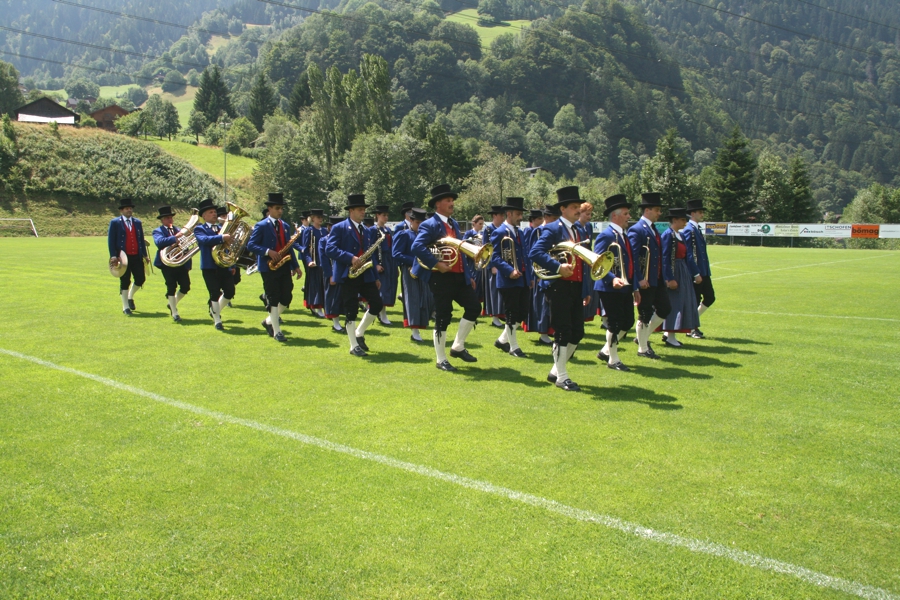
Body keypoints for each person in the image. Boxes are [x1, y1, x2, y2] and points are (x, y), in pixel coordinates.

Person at [411, 184, 481, 371]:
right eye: (448, 200)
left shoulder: (454, 223)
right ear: (438, 204)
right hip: (440, 277)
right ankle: (441, 359)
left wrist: (467, 275)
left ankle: (458, 346)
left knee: (474, 307)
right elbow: (417, 247)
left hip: (459, 277)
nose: (452, 203)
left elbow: (459, 250)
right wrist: (436, 264)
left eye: (452, 200)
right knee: (443, 315)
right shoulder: (429, 224)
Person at [529, 187, 593, 391]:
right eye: (574, 207)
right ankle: (562, 377)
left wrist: (587, 288)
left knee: (577, 332)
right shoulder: (553, 229)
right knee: (563, 331)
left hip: (576, 286)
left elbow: (583, 261)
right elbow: (535, 252)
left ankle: (556, 371)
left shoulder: (579, 230)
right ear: (563, 209)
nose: (578, 210)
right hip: (558, 286)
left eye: (578, 206)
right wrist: (558, 267)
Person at [325, 194, 384, 357]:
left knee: (377, 303)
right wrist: (350, 258)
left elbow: (370, 254)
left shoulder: (366, 230)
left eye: (364, 209)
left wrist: (375, 277)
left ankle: (359, 332)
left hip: (366, 274)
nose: (363, 212)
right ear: (351, 210)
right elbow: (329, 249)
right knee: (350, 310)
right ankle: (353, 345)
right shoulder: (339, 227)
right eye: (360, 209)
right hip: (348, 274)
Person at [247, 193, 302, 342]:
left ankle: (268, 321)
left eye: (281, 208)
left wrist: (295, 266)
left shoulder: (285, 226)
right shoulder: (261, 225)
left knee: (287, 297)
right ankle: (277, 331)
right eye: (277, 208)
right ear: (269, 209)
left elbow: (289, 247)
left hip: (283, 266)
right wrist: (268, 251)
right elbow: (251, 245)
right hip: (268, 267)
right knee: (273, 298)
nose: (280, 211)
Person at [594, 194, 639, 371]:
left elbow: (631, 264)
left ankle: (606, 350)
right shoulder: (606, 236)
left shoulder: (623, 236)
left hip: (625, 287)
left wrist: (635, 287)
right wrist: (612, 279)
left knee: (627, 322)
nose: (629, 216)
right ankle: (613, 359)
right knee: (615, 322)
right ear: (615, 215)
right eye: (626, 214)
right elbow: (597, 262)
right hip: (609, 287)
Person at [628, 192, 671, 360]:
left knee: (665, 308)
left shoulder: (653, 229)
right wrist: (639, 278)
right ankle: (643, 347)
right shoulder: (637, 229)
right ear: (647, 210)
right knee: (644, 313)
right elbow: (632, 256)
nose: (659, 213)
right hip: (645, 279)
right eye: (657, 210)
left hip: (656, 278)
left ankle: (642, 338)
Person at [490, 197, 533, 358]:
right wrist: (509, 271)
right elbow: (494, 257)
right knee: (511, 314)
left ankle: (502, 340)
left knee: (522, 313)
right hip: (508, 280)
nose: (520, 217)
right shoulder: (499, 232)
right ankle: (513, 347)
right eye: (518, 214)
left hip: (522, 279)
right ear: (509, 214)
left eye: (521, 214)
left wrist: (529, 277)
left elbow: (525, 256)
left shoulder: (520, 232)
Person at [661, 207, 702, 346]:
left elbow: (688, 256)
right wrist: (669, 278)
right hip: (674, 272)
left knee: (681, 303)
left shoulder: (680, 235)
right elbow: (665, 258)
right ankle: (668, 336)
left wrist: (695, 273)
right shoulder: (668, 235)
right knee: (674, 304)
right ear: (675, 220)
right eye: (683, 220)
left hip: (682, 272)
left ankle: (670, 335)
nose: (685, 222)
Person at [193, 199, 235, 330]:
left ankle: (215, 310)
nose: (214, 214)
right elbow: (204, 240)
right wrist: (222, 237)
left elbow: (228, 248)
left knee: (230, 291)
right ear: (204, 215)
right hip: (209, 267)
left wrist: (231, 265)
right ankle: (217, 320)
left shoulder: (222, 228)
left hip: (223, 266)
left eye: (215, 212)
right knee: (214, 293)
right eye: (211, 212)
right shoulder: (199, 229)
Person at [393, 207, 434, 342]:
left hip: (424, 270)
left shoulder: (426, 236)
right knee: (413, 299)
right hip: (410, 270)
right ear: (411, 221)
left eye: (422, 223)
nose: (420, 225)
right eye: (417, 222)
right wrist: (414, 262)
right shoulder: (404, 234)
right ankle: (414, 331)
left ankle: (421, 325)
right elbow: (396, 253)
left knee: (426, 298)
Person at [108, 198, 149, 315]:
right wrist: (113, 256)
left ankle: (130, 296)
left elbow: (140, 240)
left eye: (130, 208)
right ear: (121, 210)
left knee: (140, 279)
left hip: (136, 256)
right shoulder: (115, 222)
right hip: (123, 257)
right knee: (125, 281)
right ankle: (125, 307)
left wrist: (145, 255)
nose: (129, 210)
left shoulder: (137, 222)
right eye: (127, 208)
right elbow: (111, 240)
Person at [152, 205, 191, 322]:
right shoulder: (158, 231)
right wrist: (175, 238)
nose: (170, 220)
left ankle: (172, 303)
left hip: (180, 262)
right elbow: (159, 242)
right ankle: (175, 312)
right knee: (171, 286)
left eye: (171, 217)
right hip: (167, 263)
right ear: (162, 220)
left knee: (186, 286)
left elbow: (186, 246)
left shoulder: (178, 229)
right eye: (167, 218)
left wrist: (188, 263)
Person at [683, 198, 714, 339]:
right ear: (692, 213)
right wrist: (695, 273)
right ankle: (691, 328)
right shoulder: (689, 230)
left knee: (710, 297)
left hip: (703, 271)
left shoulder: (696, 229)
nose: (702, 214)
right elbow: (689, 254)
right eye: (700, 212)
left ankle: (692, 325)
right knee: (694, 300)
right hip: (696, 272)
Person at [373, 205, 398, 324]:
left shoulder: (388, 230)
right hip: (380, 260)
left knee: (389, 287)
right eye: (383, 215)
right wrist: (376, 265)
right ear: (377, 215)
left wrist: (395, 266)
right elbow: (371, 249)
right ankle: (381, 314)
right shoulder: (373, 230)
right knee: (382, 288)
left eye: (387, 215)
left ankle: (382, 313)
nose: (386, 217)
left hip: (390, 260)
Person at [482, 206, 506, 327]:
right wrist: (491, 266)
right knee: (494, 291)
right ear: (494, 216)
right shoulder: (488, 230)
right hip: (493, 265)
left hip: (503, 264)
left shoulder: (504, 229)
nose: (503, 217)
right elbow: (486, 249)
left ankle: (502, 314)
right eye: (501, 215)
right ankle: (495, 317)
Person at [301, 208, 326, 317]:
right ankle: (317, 307)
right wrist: (309, 261)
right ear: (313, 218)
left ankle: (325, 307)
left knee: (324, 284)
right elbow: (305, 249)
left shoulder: (324, 230)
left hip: (324, 261)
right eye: (318, 217)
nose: (320, 219)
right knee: (316, 285)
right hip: (314, 261)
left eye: (321, 217)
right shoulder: (309, 231)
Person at [321, 215, 344, 332]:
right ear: (329, 227)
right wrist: (330, 275)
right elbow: (324, 260)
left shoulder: (343, 240)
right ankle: (336, 323)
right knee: (333, 297)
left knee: (342, 298)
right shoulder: (323, 240)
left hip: (343, 272)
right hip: (332, 273)